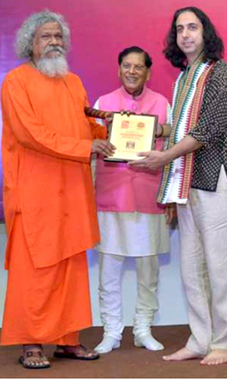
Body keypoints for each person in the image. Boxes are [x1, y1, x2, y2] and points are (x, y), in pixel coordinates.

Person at [0, 10, 114, 369]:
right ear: (29, 44)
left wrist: (112, 132)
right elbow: (29, 134)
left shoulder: (73, 81)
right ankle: (31, 342)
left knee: (71, 267)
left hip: (72, 190)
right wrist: (86, 148)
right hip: (35, 191)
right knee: (35, 269)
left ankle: (68, 340)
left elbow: (84, 125)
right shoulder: (15, 82)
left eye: (58, 36)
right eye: (46, 37)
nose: (54, 42)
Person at [130, 6, 227, 366]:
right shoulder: (183, 78)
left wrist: (163, 158)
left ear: (205, 33)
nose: (185, 35)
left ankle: (224, 341)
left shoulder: (221, 73)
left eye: (192, 27)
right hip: (187, 180)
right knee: (191, 267)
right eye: (179, 29)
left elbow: (207, 129)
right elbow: (179, 128)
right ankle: (200, 338)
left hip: (217, 179)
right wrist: (141, 129)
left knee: (221, 267)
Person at [91, 46, 173, 354]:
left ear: (148, 72)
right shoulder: (102, 104)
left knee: (147, 270)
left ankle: (142, 328)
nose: (132, 71)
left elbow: (174, 151)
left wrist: (171, 199)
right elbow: (92, 147)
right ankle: (111, 330)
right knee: (109, 269)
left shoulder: (162, 104)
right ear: (119, 69)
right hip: (111, 196)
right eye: (127, 65)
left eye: (139, 66)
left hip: (149, 196)